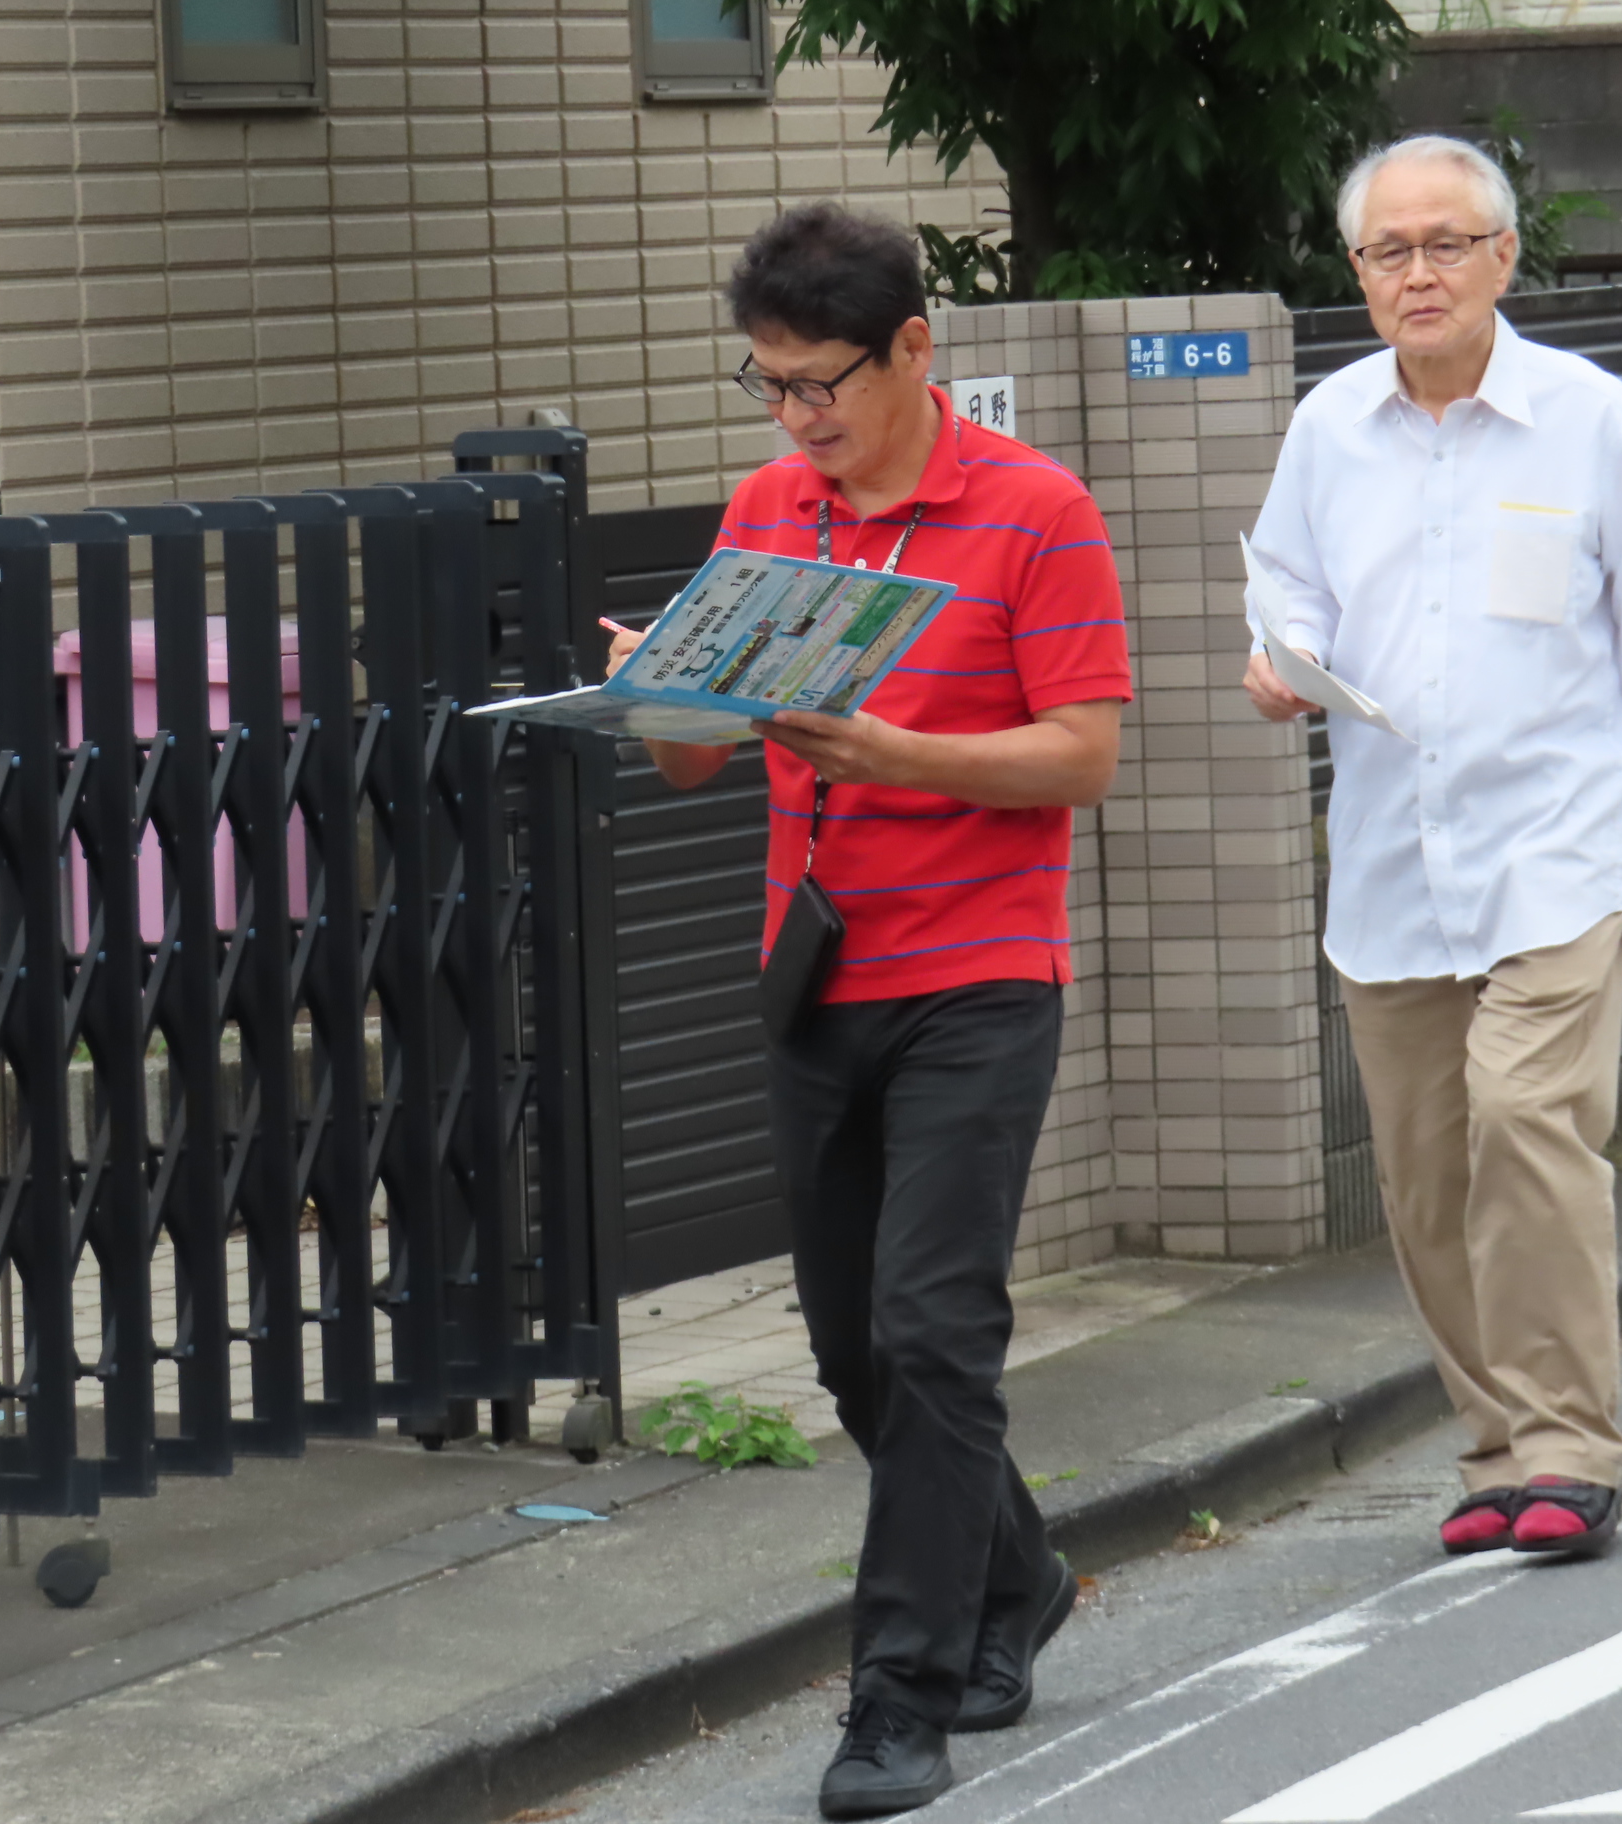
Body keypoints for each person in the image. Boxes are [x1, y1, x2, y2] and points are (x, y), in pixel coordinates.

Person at [607, 202, 1133, 1819]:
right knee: (851, 1349)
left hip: (981, 977)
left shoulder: (1035, 510)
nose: (795, 416)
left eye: (818, 381)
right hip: (817, 970)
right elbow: (691, 759)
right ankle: (1017, 1575)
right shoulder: (771, 507)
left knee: (932, 1330)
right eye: (767, 383)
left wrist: (894, 752)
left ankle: (901, 1697)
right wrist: (657, 691)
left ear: (914, 348)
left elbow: (1083, 754)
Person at [1244, 135, 1622, 1560]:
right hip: (1392, 858)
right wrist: (1284, 658)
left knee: (1527, 1123)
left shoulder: (1589, 420)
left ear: (1504, 257)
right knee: (1426, 1177)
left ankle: (1571, 1445)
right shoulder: (1328, 427)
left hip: (1557, 847)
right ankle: (1498, 1447)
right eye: (1390, 250)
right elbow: (1285, 582)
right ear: (1358, 272)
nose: (1421, 273)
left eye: (1448, 243)